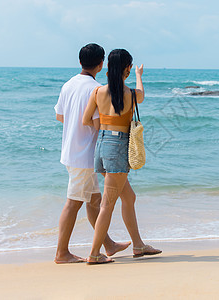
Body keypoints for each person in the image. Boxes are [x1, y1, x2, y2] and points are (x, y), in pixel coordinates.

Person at [83, 49, 161, 264]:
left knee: (129, 197)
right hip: (118, 147)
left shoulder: (98, 91)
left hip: (102, 145)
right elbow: (142, 96)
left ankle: (138, 245)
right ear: (126, 67)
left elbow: (86, 119)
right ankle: (94, 254)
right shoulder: (131, 94)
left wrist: (105, 132)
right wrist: (138, 76)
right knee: (108, 204)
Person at [54, 43, 130, 263]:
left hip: (71, 150)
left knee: (94, 200)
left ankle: (108, 244)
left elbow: (60, 116)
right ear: (101, 64)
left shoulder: (68, 85)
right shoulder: (95, 88)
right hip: (85, 154)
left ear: (80, 62)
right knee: (74, 202)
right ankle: (61, 253)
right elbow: (98, 124)